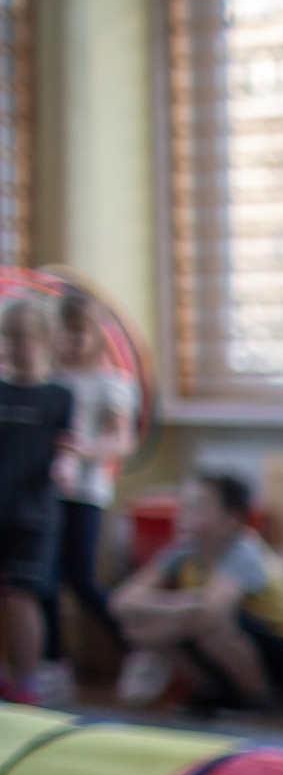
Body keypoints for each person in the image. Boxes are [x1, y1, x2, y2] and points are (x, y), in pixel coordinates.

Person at [108, 470, 283, 713]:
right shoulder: (184, 551)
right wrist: (182, 604)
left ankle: (261, 700)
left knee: (211, 627)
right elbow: (121, 601)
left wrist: (155, 629)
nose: (183, 516)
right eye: (183, 506)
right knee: (149, 626)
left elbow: (212, 612)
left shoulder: (243, 550)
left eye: (197, 507)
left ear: (232, 519)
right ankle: (217, 692)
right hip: (230, 637)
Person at [40, 289, 138, 701]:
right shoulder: (47, 379)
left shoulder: (109, 383)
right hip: (45, 491)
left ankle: (134, 647)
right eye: (63, 332)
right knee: (43, 579)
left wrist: (86, 451)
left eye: (79, 332)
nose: (70, 341)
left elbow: (122, 441)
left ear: (95, 335)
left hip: (86, 492)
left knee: (81, 577)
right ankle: (54, 663)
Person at [0, 298, 71, 703]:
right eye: (8, 338)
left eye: (23, 338)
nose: (14, 346)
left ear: (45, 340)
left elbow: (71, 446)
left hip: (34, 514)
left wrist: (67, 465)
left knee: (24, 596)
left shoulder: (59, 396)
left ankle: (29, 680)